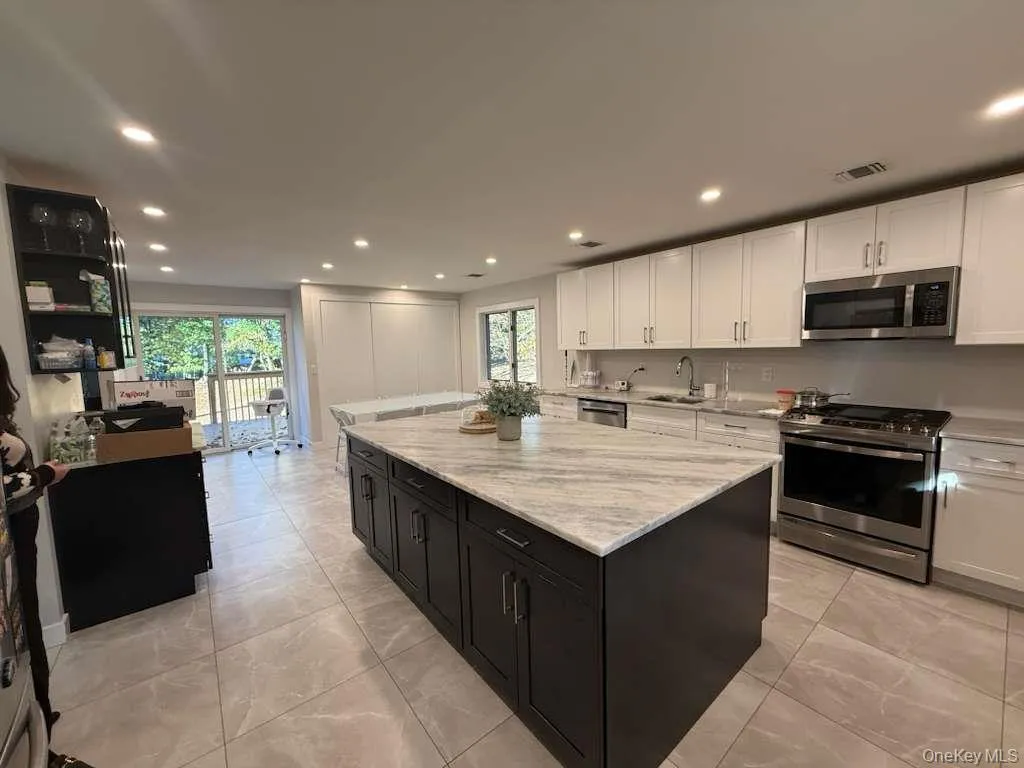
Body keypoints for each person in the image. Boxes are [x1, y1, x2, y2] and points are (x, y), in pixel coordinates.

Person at [0, 346, 89, 768]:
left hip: (17, 535)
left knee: (27, 629)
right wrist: (44, 475)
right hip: (9, 541)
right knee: (23, 629)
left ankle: (37, 723)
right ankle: (35, 741)